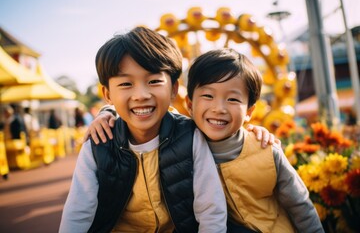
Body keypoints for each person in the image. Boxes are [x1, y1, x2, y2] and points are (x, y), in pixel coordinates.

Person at [87, 48, 324, 232]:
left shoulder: (264, 148)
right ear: (189, 105)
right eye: (208, 96)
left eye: (232, 100)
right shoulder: (180, 142)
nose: (218, 108)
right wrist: (108, 113)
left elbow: (300, 204)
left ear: (250, 110)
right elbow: (146, 110)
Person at [59, 26, 227, 233]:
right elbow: (78, 211)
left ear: (174, 89)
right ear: (108, 94)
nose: (141, 95)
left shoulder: (189, 135)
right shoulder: (99, 142)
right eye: (126, 84)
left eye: (154, 81)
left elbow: (211, 208)